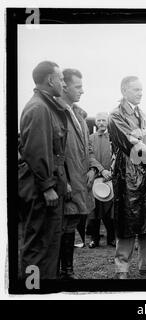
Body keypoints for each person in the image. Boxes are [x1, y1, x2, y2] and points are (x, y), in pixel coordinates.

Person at [108, 76, 146, 279]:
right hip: (127, 174)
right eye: (136, 89)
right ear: (124, 90)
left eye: (141, 89)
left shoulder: (142, 114)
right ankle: (122, 268)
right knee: (127, 219)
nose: (140, 93)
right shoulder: (116, 115)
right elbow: (134, 143)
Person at [19, 61, 68, 279]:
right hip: (40, 189)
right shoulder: (39, 107)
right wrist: (48, 186)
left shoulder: (46, 106)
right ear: (50, 80)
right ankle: (33, 292)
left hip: (46, 185)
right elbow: (36, 151)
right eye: (61, 78)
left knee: (48, 244)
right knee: (38, 246)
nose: (63, 83)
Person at [56, 68, 97, 279]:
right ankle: (62, 271)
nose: (83, 90)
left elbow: (88, 148)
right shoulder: (56, 113)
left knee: (71, 224)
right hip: (66, 183)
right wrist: (64, 182)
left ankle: (67, 270)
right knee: (62, 226)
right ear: (64, 86)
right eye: (78, 86)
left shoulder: (80, 115)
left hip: (81, 179)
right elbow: (54, 153)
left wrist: (92, 167)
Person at [87, 112, 116, 248]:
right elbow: (89, 155)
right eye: (99, 120)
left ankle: (111, 238)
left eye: (104, 120)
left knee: (109, 210)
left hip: (110, 177)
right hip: (95, 177)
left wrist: (111, 170)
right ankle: (95, 238)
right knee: (94, 211)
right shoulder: (90, 138)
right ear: (96, 122)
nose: (102, 122)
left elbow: (116, 155)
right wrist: (101, 169)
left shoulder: (113, 137)